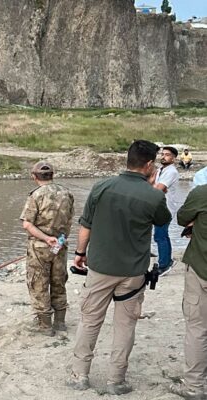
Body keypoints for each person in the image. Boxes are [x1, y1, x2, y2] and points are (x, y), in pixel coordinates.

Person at [68, 140, 171, 395]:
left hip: (100, 267)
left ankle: (80, 375)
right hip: (133, 272)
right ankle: (116, 380)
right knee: (125, 326)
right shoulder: (154, 195)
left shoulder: (101, 187)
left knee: (90, 321)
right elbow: (164, 221)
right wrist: (151, 188)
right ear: (148, 165)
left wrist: (80, 253)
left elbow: (86, 225)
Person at [19, 161, 75, 336]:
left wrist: (46, 238)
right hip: (60, 245)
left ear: (34, 176)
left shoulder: (35, 195)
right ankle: (60, 322)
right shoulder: (67, 193)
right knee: (58, 281)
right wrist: (59, 239)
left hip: (39, 248)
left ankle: (45, 325)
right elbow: (70, 220)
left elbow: (27, 224)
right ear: (53, 174)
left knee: (39, 283)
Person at [170, 178, 207, 399]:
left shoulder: (202, 193)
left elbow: (182, 217)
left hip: (202, 269)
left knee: (197, 328)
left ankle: (194, 386)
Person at [152, 146, 180, 276]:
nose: (163, 156)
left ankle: (164, 264)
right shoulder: (160, 170)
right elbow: (152, 185)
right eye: (162, 154)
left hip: (166, 208)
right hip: (158, 206)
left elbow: (159, 189)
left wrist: (155, 187)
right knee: (161, 235)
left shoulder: (171, 172)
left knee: (160, 236)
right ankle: (166, 260)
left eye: (167, 155)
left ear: (174, 158)